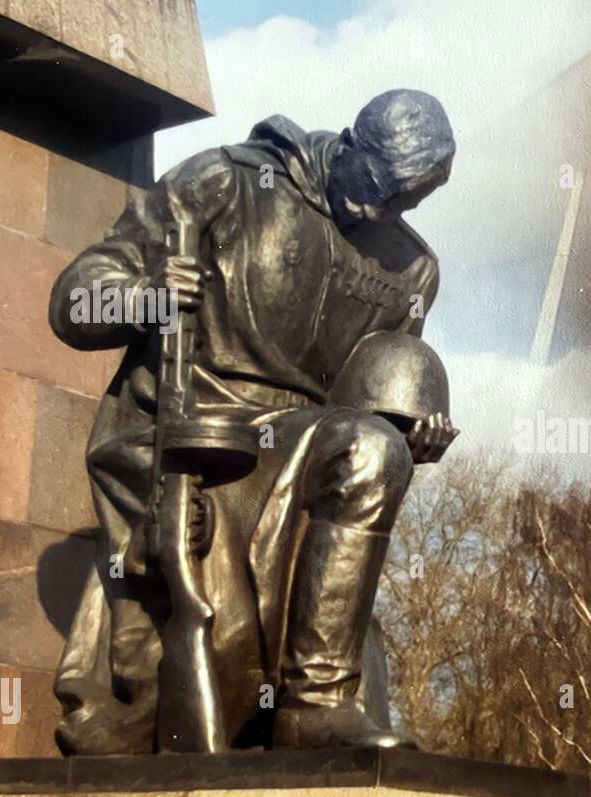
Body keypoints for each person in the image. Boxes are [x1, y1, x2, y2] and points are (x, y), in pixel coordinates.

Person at [49, 90, 458, 753]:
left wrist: (412, 432)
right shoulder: (226, 180)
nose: (381, 212)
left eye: (405, 201)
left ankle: (317, 704)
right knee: (363, 449)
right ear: (350, 143)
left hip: (311, 446)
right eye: (377, 188)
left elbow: (371, 395)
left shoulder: (413, 266)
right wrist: (144, 296)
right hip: (195, 433)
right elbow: (73, 299)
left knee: (376, 451)